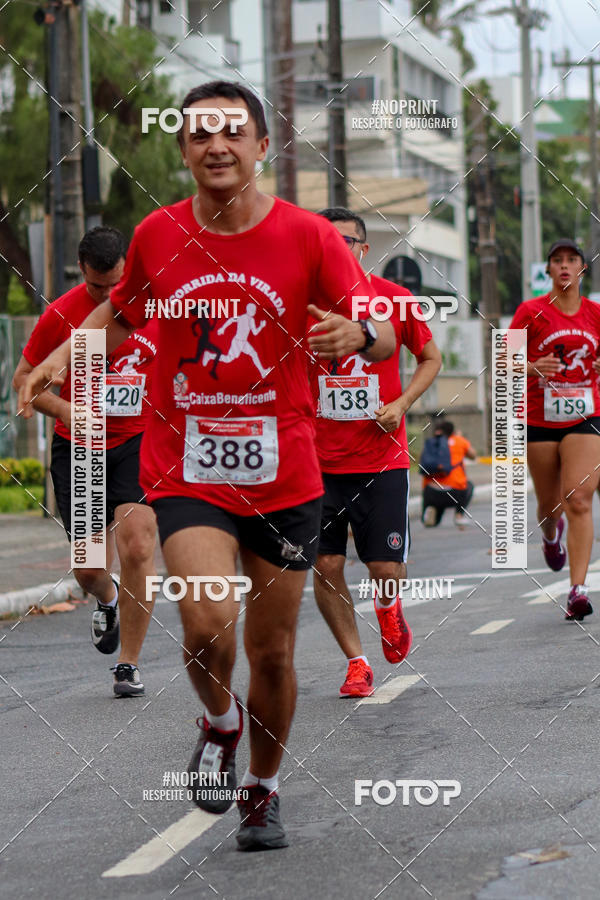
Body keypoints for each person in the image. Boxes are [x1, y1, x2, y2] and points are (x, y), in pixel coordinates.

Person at [18, 82, 395, 851]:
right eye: (199, 134)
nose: (216, 145)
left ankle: (262, 785)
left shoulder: (308, 237)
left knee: (273, 652)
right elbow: (124, 312)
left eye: (233, 132)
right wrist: (62, 351)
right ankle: (219, 723)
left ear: (262, 146)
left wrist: (358, 338)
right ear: (185, 151)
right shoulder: (158, 235)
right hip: (188, 468)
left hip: (286, 476)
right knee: (204, 624)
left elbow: (382, 330)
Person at [13, 227, 159, 696]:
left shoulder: (155, 306)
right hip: (81, 447)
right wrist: (68, 411)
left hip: (139, 442)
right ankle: (110, 599)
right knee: (89, 569)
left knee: (138, 547)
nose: (109, 296)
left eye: (117, 284)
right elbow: (25, 382)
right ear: (82, 271)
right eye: (98, 287)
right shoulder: (62, 312)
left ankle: (128, 664)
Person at [311, 207, 441, 698]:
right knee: (325, 566)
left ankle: (389, 607)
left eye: (345, 241)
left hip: (379, 460)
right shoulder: (297, 303)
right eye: (326, 240)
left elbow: (431, 358)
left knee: (384, 569)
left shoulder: (393, 300)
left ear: (363, 250)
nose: (336, 248)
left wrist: (403, 403)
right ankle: (356, 662)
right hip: (316, 464)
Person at [510, 238, 600, 621]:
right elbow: (504, 360)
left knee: (578, 497)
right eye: (557, 261)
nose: (564, 266)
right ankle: (550, 534)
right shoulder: (531, 312)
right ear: (547, 270)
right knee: (550, 506)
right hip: (539, 418)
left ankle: (577, 588)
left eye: (572, 260)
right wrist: (531, 367)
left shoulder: (595, 313)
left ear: (582, 268)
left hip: (586, 416)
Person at [421, 420, 476, 528]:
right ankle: (459, 515)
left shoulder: (431, 443)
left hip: (430, 492)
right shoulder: (459, 441)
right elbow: (473, 455)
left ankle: (431, 510)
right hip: (454, 493)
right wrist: (459, 438)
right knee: (469, 485)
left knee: (433, 522)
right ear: (452, 431)